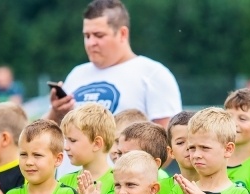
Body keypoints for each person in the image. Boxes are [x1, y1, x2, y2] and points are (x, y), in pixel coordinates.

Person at [45, 0, 181, 128]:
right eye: (87, 36)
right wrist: (55, 113)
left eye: (99, 35)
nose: (91, 43)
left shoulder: (153, 75)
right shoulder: (77, 74)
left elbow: (168, 138)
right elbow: (41, 135)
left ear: (122, 34)